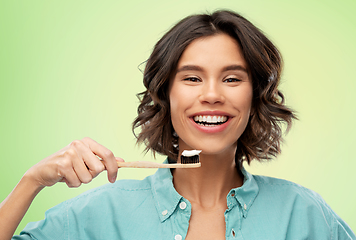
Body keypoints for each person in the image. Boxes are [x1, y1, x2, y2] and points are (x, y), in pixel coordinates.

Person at [1, 10, 354, 240]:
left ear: (254, 96)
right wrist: (32, 181)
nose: (212, 95)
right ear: (165, 94)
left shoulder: (305, 216)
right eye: (192, 79)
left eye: (232, 79)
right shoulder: (99, 216)